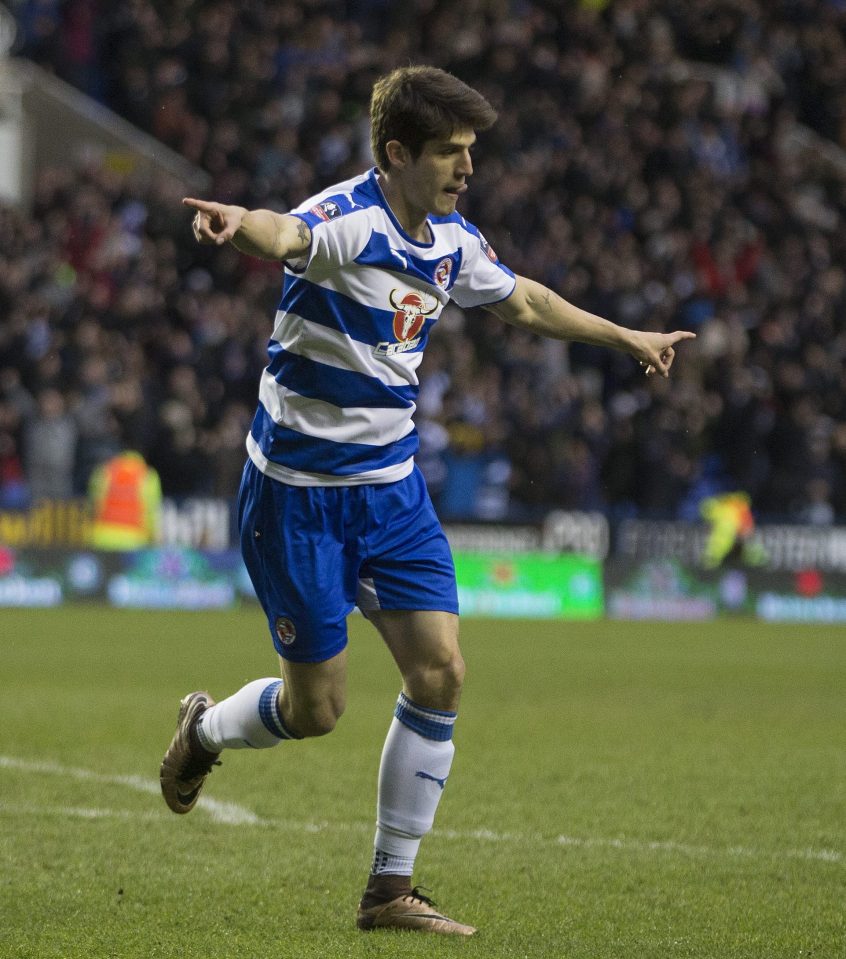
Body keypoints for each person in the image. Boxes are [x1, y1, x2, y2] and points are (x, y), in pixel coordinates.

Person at [159, 65, 695, 936]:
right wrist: (237, 224)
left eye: (471, 152)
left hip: (391, 492)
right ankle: (203, 732)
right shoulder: (350, 219)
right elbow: (285, 231)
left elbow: (522, 299)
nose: (466, 168)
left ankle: (389, 888)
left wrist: (624, 335)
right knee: (315, 710)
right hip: (296, 499)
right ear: (397, 153)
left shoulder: (452, 241)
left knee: (442, 670)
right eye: (449, 152)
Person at [88, 448, 163, 550]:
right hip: (134, 537)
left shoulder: (104, 471)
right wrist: (153, 535)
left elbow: (93, 502)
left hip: (103, 536)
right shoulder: (148, 475)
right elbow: (151, 510)